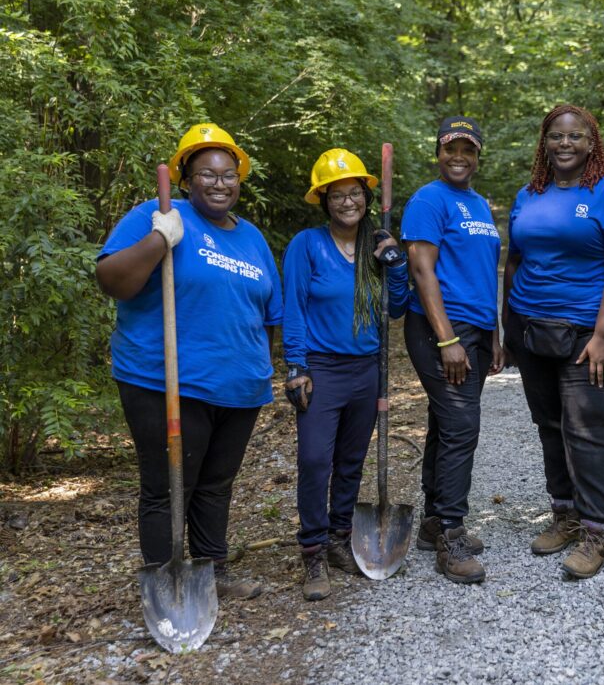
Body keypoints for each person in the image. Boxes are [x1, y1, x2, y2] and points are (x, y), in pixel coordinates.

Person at [96, 123, 282, 600]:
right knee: (167, 487)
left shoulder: (253, 238)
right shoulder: (154, 216)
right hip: (166, 381)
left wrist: (264, 366)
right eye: (207, 174)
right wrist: (161, 240)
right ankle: (166, 584)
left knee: (216, 484)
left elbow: (268, 313)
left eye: (228, 174)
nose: (220, 183)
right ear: (185, 180)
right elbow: (112, 279)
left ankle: (211, 572)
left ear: (239, 179)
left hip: (240, 386)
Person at [503, 104, 604, 580]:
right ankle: (564, 515)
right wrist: (507, 328)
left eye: (575, 137)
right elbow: (515, 262)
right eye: (556, 137)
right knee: (549, 423)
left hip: (591, 335)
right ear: (544, 143)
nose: (565, 144)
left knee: (589, 431)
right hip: (532, 329)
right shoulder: (528, 195)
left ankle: (594, 530)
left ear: (592, 143)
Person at [282, 148, 409, 601]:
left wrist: (396, 267)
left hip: (367, 368)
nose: (347, 202)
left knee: (351, 461)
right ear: (323, 200)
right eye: (337, 195)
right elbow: (293, 307)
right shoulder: (307, 245)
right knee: (316, 460)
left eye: (354, 193)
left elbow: (396, 311)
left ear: (365, 197)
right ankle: (313, 550)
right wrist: (295, 365)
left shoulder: (378, 246)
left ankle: (340, 537)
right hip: (322, 368)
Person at [402, 117, 503, 584]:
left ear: (478, 155)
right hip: (440, 329)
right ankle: (450, 530)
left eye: (468, 150)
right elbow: (423, 272)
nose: (459, 157)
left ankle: (430, 522)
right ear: (438, 153)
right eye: (450, 149)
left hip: (477, 330)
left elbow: (484, 274)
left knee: (446, 425)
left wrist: (494, 334)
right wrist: (448, 340)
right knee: (463, 427)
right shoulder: (428, 200)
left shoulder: (480, 204)